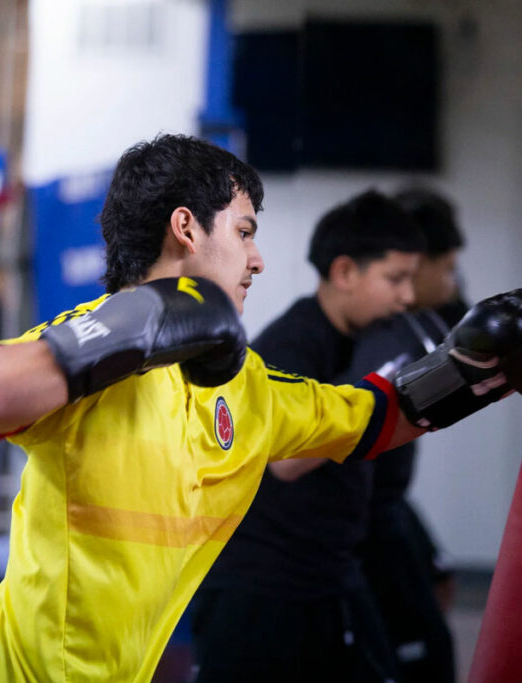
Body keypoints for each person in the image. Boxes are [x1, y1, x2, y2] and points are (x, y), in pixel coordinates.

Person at [0, 134, 522, 682]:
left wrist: (475, 370)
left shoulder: (246, 386)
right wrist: (156, 313)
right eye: (243, 232)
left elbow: (374, 416)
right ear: (185, 228)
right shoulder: (86, 356)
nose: (257, 259)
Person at [190, 189, 425, 683]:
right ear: (345, 273)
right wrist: (369, 383)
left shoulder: (362, 338)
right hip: (261, 589)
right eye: (395, 279)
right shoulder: (291, 343)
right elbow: (287, 462)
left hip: (330, 575)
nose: (408, 296)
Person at [347, 187, 471, 683]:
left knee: (432, 629)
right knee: (417, 652)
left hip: (387, 507)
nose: (452, 279)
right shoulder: (383, 341)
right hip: (355, 526)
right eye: (444, 267)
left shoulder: (418, 327)